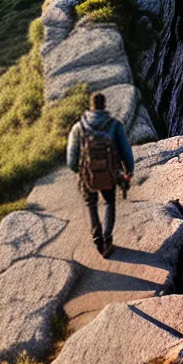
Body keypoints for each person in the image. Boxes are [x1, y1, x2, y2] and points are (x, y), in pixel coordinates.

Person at [66, 92, 134, 257]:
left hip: (87, 175)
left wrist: (80, 172)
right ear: (104, 106)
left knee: (91, 204)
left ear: (90, 107)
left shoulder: (78, 128)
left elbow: (71, 159)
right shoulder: (115, 125)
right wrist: (128, 171)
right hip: (109, 173)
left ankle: (98, 241)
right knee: (109, 202)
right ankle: (107, 239)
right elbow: (126, 151)